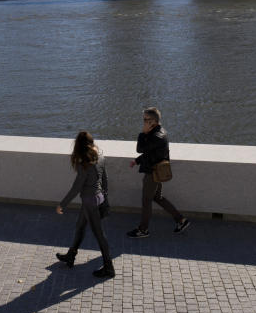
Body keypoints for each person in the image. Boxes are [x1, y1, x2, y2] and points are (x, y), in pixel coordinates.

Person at [55, 131, 114, 278]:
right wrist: (105, 199)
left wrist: (62, 204)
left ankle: (109, 268)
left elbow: (76, 188)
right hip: (97, 198)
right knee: (80, 226)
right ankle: (71, 255)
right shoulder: (100, 157)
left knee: (100, 235)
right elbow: (105, 180)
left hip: (90, 202)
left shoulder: (85, 165)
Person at [127, 107, 190, 238]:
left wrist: (142, 133)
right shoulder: (158, 132)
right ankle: (181, 220)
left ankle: (143, 230)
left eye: (145, 119)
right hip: (157, 171)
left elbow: (140, 148)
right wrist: (137, 161)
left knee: (146, 200)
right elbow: (150, 153)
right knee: (157, 197)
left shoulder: (156, 136)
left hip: (153, 174)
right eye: (143, 119)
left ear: (153, 121)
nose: (143, 121)